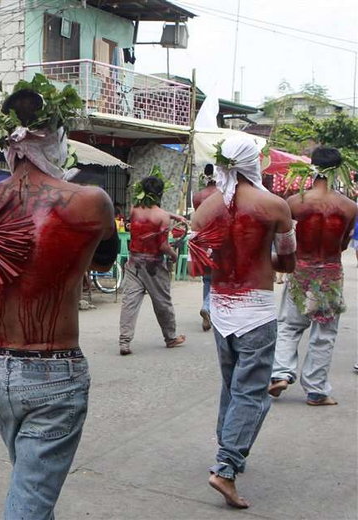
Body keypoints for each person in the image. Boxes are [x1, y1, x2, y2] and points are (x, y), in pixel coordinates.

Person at [0, 85, 117, 519]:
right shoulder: (91, 203)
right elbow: (104, 262)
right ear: (57, 138)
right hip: (55, 371)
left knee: (32, 488)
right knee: (31, 501)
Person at [190, 134, 295, 509]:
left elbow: (197, 263)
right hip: (256, 308)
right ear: (253, 163)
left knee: (232, 385)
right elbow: (288, 261)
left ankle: (226, 449)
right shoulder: (273, 206)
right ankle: (227, 467)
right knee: (251, 393)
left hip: (220, 307)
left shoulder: (205, 209)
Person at [268, 147, 357, 406]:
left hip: (301, 269)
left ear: (312, 167)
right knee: (324, 333)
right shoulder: (349, 207)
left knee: (289, 325)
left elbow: (284, 239)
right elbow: (342, 245)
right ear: (340, 170)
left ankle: (280, 374)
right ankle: (316, 390)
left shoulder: (294, 202)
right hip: (330, 272)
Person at [118, 175, 186, 355]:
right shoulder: (162, 216)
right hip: (153, 265)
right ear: (160, 193)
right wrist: (173, 255)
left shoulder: (134, 210)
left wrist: (174, 215)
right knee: (162, 302)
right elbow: (163, 246)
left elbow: (150, 214)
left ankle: (124, 342)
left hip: (133, 263)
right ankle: (170, 337)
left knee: (129, 303)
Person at [193, 164, 219, 331]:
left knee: (207, 279)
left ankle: (207, 312)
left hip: (203, 240)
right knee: (219, 278)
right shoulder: (223, 195)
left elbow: (199, 218)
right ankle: (208, 307)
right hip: (219, 239)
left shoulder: (198, 196)